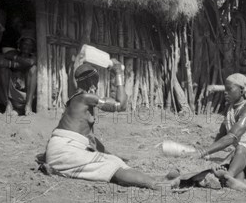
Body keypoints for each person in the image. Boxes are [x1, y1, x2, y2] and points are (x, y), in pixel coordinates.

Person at [40, 58, 178, 190]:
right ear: (92, 84)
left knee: (114, 161)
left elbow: (90, 139)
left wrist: (112, 155)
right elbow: (121, 105)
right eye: (96, 82)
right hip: (65, 151)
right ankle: (156, 185)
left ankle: (160, 178)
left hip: (63, 149)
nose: (96, 87)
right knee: (110, 166)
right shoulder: (85, 98)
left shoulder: (77, 102)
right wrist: (118, 74)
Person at [198, 73, 246, 190]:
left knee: (240, 149)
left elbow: (231, 137)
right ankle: (237, 182)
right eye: (225, 89)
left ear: (242, 90)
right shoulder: (229, 110)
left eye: (229, 89)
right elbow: (221, 136)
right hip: (243, 159)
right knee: (233, 160)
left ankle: (228, 176)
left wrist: (203, 152)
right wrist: (209, 154)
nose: (225, 92)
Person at [0, 29, 37, 116]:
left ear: (33, 48)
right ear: (20, 45)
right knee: (3, 69)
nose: (27, 47)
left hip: (25, 97)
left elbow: (30, 63)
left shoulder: (34, 57)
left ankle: (28, 107)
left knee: (33, 69)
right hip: (10, 95)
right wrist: (16, 63)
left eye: (30, 45)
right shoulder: (13, 53)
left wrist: (12, 63)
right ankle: (8, 104)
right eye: (25, 43)